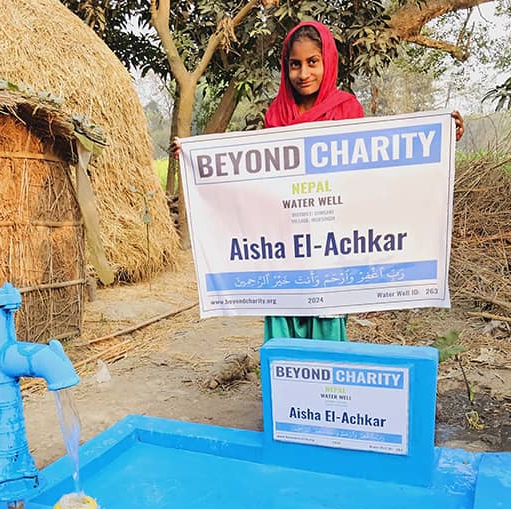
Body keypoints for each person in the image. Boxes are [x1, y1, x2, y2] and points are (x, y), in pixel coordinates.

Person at [174, 20, 465, 342]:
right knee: (284, 326)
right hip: (285, 248)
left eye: (312, 62)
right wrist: (193, 158)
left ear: (327, 60)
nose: (303, 73)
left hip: (333, 249)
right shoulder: (276, 114)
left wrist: (441, 138)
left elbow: (377, 172)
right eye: (295, 65)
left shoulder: (346, 109)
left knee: (328, 326)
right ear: (286, 67)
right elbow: (258, 183)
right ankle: (286, 388)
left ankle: (327, 388)